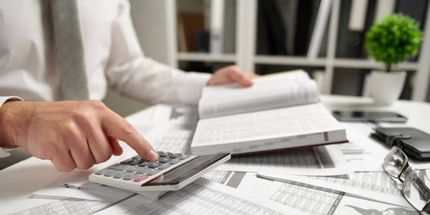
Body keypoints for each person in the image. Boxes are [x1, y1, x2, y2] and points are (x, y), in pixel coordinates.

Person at [0, 0, 254, 171]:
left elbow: (127, 67)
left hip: (90, 162)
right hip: (9, 165)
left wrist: (206, 84)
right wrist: (15, 121)